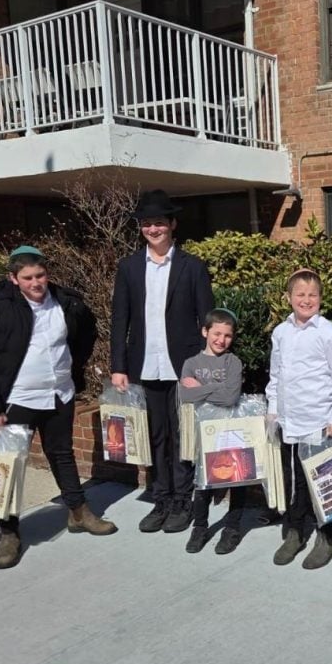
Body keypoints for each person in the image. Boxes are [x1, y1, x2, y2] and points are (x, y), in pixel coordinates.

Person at [0, 245, 116, 570]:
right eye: (28, 278)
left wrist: (72, 370)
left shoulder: (67, 303)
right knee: (10, 465)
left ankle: (78, 511)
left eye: (40, 275)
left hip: (59, 393)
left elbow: (85, 335)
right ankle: (9, 532)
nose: (36, 283)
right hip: (17, 399)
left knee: (62, 454)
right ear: (13, 279)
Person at [111, 189, 213, 534]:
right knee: (155, 435)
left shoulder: (193, 267)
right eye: (146, 223)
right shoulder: (128, 268)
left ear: (172, 225)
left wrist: (205, 366)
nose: (153, 229)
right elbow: (120, 320)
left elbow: (207, 321)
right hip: (145, 364)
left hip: (183, 367)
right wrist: (118, 366)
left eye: (159, 223)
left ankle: (183, 499)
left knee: (182, 435)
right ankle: (162, 498)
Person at [266, 268, 332, 569]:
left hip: (318, 420)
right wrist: (273, 409)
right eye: (300, 294)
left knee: (324, 482)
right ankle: (295, 532)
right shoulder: (281, 332)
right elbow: (276, 374)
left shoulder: (329, 333)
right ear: (289, 297)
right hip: (290, 420)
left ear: (320, 298)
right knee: (294, 480)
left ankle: (326, 537)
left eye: (312, 295)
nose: (306, 300)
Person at [179, 308, 253, 555]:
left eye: (227, 335)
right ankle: (200, 527)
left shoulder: (233, 362)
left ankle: (232, 528)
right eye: (217, 334)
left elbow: (231, 397)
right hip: (204, 433)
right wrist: (217, 388)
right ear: (205, 332)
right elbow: (185, 395)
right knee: (203, 482)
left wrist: (201, 387)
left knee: (237, 478)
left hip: (231, 430)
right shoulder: (191, 363)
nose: (221, 340)